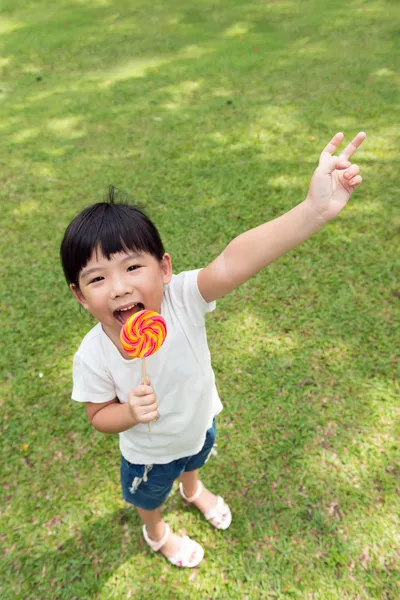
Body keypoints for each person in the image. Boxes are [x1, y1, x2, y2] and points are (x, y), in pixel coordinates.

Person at [60, 132, 366, 568]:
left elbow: (233, 260)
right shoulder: (92, 355)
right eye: (97, 279)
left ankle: (193, 489)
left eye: (132, 267)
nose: (120, 286)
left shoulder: (183, 297)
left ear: (164, 268)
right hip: (150, 454)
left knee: (195, 458)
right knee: (150, 497)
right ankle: (156, 532)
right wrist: (128, 412)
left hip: (201, 421)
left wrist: (313, 210)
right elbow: (97, 415)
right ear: (79, 295)